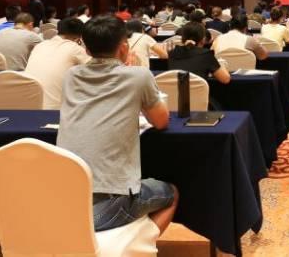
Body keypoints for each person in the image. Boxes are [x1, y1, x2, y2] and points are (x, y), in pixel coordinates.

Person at [57, 15, 178, 234]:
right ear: (124, 47)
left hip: (64, 198)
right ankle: (140, 245)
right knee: (172, 193)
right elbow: (161, 121)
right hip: (111, 202)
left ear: (86, 49)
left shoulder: (70, 76)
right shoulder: (139, 76)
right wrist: (131, 69)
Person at [25, 18, 90, 109]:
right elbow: (97, 70)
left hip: (28, 107)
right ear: (79, 37)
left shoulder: (40, 45)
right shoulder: (75, 48)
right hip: (56, 111)